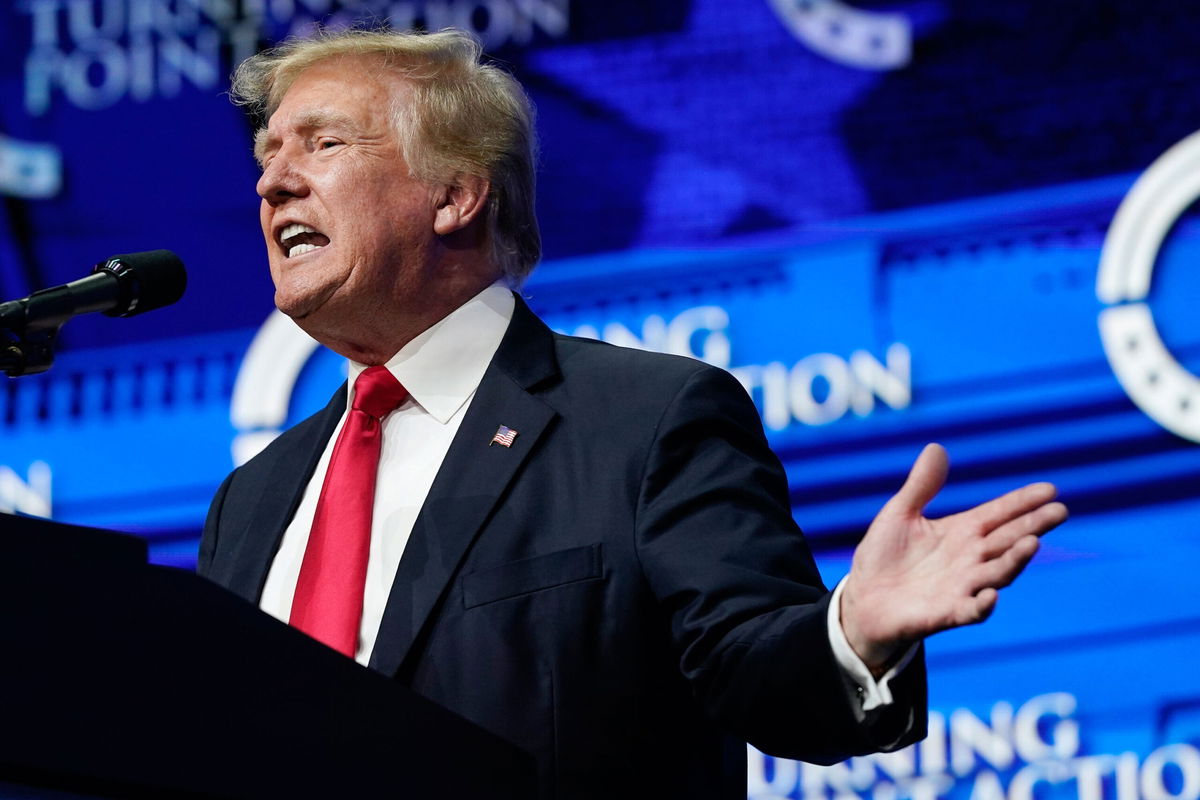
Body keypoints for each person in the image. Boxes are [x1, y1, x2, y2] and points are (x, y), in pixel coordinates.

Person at [198, 28, 1068, 799]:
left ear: (456, 195)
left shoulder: (646, 420)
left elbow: (755, 672)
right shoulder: (251, 502)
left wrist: (852, 633)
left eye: (324, 144)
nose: (274, 182)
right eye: (269, 155)